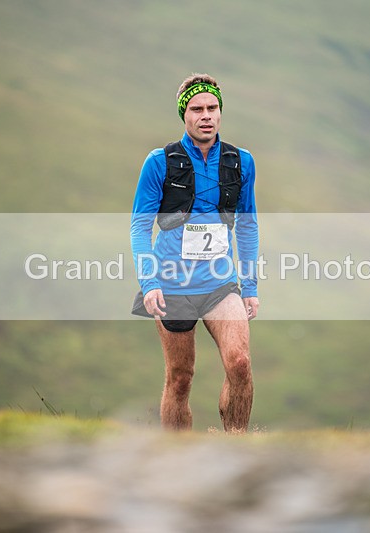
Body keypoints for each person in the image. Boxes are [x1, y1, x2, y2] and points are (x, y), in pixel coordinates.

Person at [130, 73, 259, 432]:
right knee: (180, 379)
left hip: (221, 284)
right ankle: (178, 459)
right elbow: (140, 227)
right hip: (172, 284)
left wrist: (249, 287)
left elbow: (247, 226)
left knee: (240, 364)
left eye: (212, 108)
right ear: (184, 115)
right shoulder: (159, 162)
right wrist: (150, 281)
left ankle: (235, 443)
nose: (206, 115)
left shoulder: (241, 161)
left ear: (221, 112)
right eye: (197, 109)